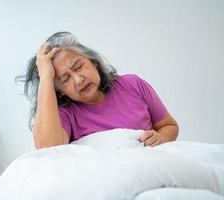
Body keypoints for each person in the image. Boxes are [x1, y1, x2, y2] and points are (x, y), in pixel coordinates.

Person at [21, 32, 178, 149]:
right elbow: (48, 149)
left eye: (78, 66)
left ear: (93, 61)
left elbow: (169, 126)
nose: (78, 79)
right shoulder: (65, 114)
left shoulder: (133, 84)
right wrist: (46, 78)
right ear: (60, 91)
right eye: (65, 79)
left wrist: (162, 138)